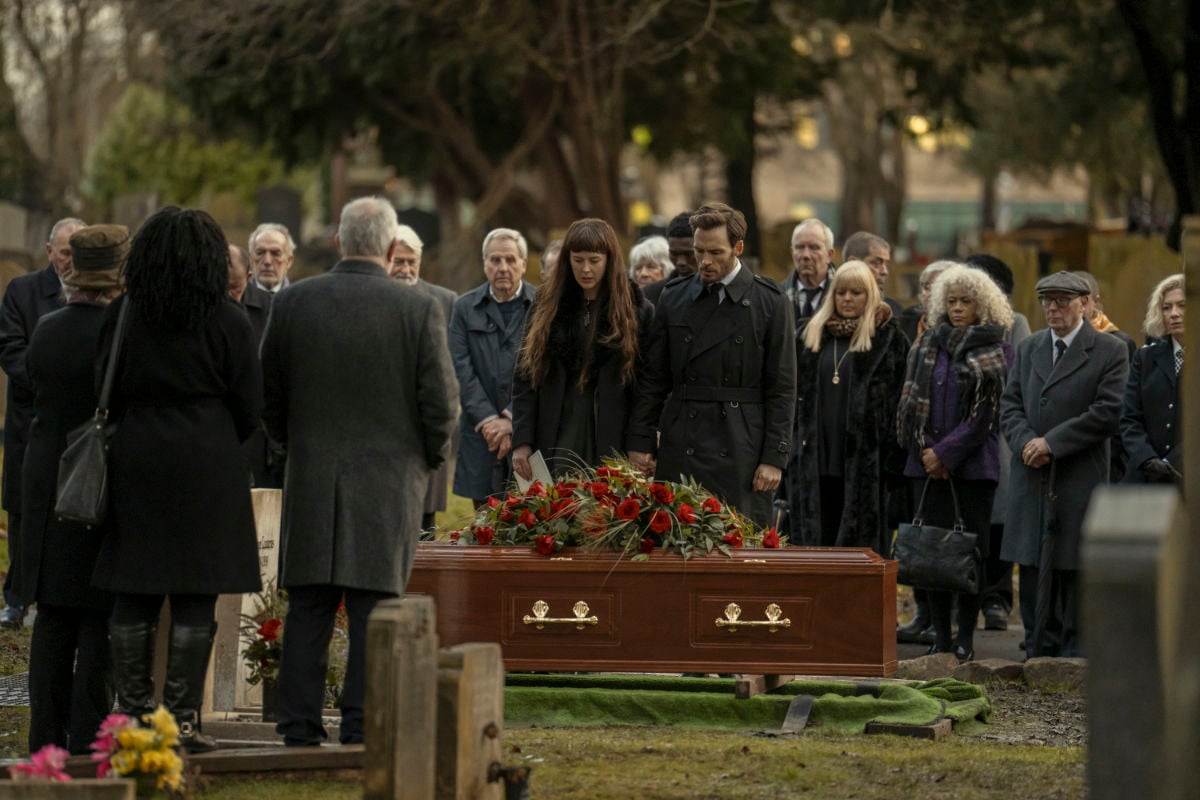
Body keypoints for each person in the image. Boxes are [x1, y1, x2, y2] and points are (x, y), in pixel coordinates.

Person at [262, 197, 458, 747]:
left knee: (308, 607)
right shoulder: (417, 309)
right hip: (389, 481)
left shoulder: (295, 302)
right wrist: (426, 460)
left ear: (339, 241)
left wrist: (293, 447)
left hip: (312, 474)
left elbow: (269, 394)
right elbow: (441, 404)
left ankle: (298, 726)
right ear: (392, 247)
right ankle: (362, 726)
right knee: (375, 607)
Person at [95, 207, 263, 752]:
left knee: (134, 587)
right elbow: (250, 406)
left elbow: (104, 389)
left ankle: (132, 714)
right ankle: (182, 721)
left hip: (138, 457)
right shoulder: (229, 320)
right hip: (207, 461)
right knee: (196, 592)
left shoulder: (125, 315)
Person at [18, 225, 125, 754]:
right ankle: (87, 736)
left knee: (54, 618)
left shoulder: (47, 330)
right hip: (102, 485)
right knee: (97, 620)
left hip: (51, 487)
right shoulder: (121, 334)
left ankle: (44, 736)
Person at [629, 202, 795, 527]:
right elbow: (653, 380)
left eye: (715, 252)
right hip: (682, 439)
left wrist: (774, 458)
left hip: (742, 445)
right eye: (699, 251)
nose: (704, 261)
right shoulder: (674, 297)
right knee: (676, 539)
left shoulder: (770, 301)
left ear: (738, 248)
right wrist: (640, 440)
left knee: (739, 542)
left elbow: (782, 388)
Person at [999, 271, 1128, 658]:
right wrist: (1026, 442)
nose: (1052, 309)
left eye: (1061, 301)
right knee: (1033, 566)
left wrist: (1052, 444)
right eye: (1047, 301)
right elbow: (1010, 404)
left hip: (1077, 477)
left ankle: (1072, 659)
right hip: (1032, 476)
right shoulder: (1030, 347)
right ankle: (1037, 652)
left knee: (1074, 570)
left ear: (1085, 303)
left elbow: (1107, 412)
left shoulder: (1110, 349)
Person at [896, 264, 1014, 662]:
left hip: (973, 468)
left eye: (966, 301)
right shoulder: (925, 344)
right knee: (931, 552)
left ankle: (965, 636)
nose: (958, 308)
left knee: (969, 554)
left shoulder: (998, 349)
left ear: (983, 305)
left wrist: (946, 454)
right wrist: (929, 452)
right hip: (924, 464)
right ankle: (940, 636)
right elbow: (910, 406)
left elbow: (985, 417)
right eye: (951, 301)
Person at [512, 218, 653, 480]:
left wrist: (640, 443)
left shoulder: (636, 308)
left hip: (613, 430)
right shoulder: (546, 303)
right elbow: (525, 375)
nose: (585, 269)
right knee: (556, 500)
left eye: (594, 260)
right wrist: (522, 440)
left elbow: (647, 386)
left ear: (609, 260)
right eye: (578, 260)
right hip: (556, 426)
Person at [786, 261, 908, 553]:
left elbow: (900, 404)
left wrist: (892, 460)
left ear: (870, 295)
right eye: (841, 293)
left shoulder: (888, 339)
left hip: (867, 463)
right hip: (814, 457)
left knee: (860, 547)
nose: (847, 299)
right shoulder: (809, 336)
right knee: (815, 541)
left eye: (856, 293)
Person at [0, 217, 86, 629]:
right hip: (31, 418)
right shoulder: (23, 291)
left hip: (78, 426)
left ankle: (61, 594)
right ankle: (17, 598)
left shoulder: (99, 295)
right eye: (66, 252)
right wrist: (50, 381)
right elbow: (10, 349)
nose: (72, 261)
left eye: (79, 253)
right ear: (50, 251)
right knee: (23, 510)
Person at [964, 253, 1032, 631]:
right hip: (962, 436)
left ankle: (997, 598)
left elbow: (1018, 377)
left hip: (1000, 434)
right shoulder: (955, 324)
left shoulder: (1014, 325)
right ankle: (964, 598)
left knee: (1000, 518)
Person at [449, 228, 537, 507]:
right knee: (484, 522)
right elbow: (460, 368)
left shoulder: (542, 305)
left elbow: (544, 368)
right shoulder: (464, 308)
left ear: (523, 264)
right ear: (484, 263)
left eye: (510, 260)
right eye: (495, 260)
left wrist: (512, 419)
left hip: (529, 435)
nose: (503, 267)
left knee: (533, 517)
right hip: (482, 436)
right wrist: (490, 421)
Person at [389, 223, 459, 532]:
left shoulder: (444, 301)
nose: (405, 269)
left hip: (429, 428)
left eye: (411, 262)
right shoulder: (372, 299)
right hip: (386, 432)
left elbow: (451, 367)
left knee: (424, 526)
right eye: (398, 261)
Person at [1121, 273, 1184, 484]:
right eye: (1167, 308)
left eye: (1182, 306)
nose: (1174, 314)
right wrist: (1147, 458)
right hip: (1144, 476)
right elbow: (1129, 417)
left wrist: (1171, 463)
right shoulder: (1144, 358)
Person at [782, 218, 836, 333]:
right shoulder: (777, 296)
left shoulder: (845, 294)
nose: (806, 255)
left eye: (814, 247)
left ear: (829, 255)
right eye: (800, 247)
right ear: (792, 252)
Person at [843, 231, 902, 317]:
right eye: (877, 263)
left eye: (886, 264)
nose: (885, 271)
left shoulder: (893, 311)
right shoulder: (829, 309)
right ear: (853, 263)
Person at [643, 212, 697, 304]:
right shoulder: (651, 295)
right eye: (674, 254)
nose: (680, 262)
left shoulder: (718, 293)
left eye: (688, 254)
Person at [249, 222, 296, 292]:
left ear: (289, 261)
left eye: (276, 254)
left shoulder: (301, 297)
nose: (267, 261)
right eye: (260, 253)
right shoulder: (237, 296)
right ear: (251, 259)